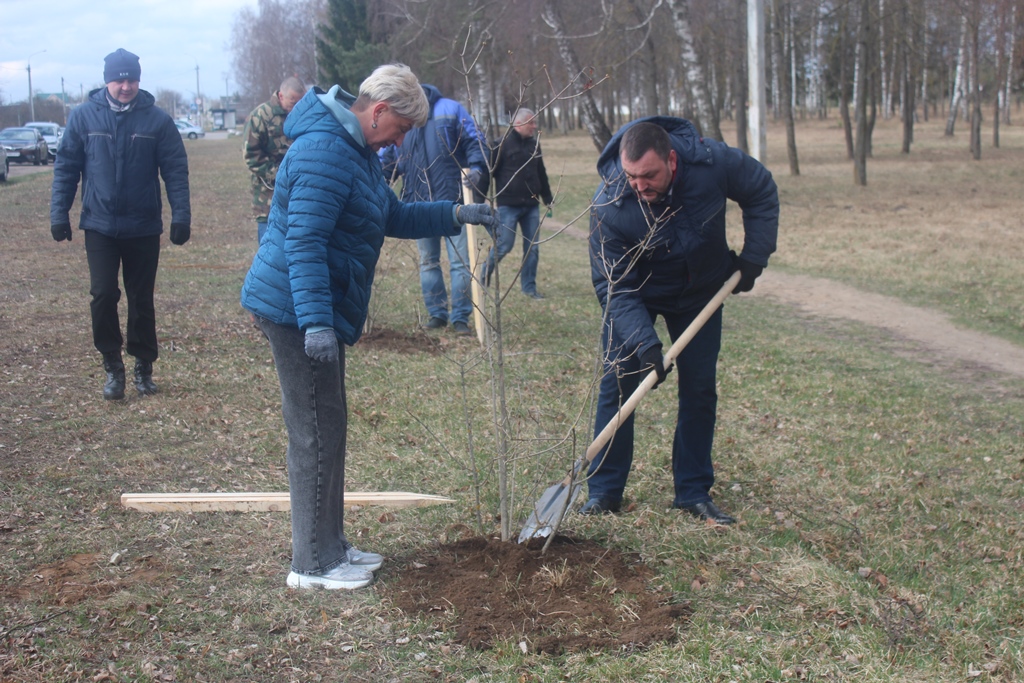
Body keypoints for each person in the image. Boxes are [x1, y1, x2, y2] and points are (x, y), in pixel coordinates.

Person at [240, 64, 497, 590]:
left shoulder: (356, 152)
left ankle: (329, 546)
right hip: (295, 310)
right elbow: (303, 244)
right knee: (313, 433)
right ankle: (311, 565)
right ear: (377, 111)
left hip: (314, 309)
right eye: (401, 128)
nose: (401, 140)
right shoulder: (323, 152)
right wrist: (315, 324)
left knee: (328, 426)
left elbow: (392, 215)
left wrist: (455, 215)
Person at [584, 117, 778, 524]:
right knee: (618, 382)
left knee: (699, 389)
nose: (640, 185)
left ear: (672, 159)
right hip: (638, 293)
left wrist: (754, 258)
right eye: (632, 175)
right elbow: (614, 287)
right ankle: (603, 492)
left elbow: (760, 190)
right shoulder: (610, 203)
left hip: (700, 292)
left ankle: (692, 491)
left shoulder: (713, 164)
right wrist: (645, 344)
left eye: (649, 175)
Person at [50, 48, 191, 401]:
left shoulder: (157, 121)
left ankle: (144, 364)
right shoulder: (83, 118)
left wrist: (181, 215)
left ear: (139, 80)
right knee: (102, 295)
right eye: (119, 79)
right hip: (99, 225)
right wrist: (59, 213)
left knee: (141, 299)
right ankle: (113, 366)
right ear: (107, 81)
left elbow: (175, 171)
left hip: (143, 226)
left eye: (131, 79)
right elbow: (66, 168)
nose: (126, 86)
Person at [380, 84, 487, 335]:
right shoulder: (403, 119)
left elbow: (474, 139)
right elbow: (387, 158)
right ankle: (437, 313)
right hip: (418, 205)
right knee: (428, 262)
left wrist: (476, 167)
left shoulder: (450, 109)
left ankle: (460, 316)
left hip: (455, 202)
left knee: (460, 263)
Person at [482, 108, 553, 300]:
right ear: (519, 124)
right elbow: (488, 174)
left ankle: (529, 288)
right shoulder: (500, 145)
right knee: (504, 245)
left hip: (531, 205)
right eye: (531, 123)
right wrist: (479, 199)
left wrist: (547, 197)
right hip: (508, 205)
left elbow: (541, 171)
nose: (534, 126)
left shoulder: (534, 145)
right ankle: (483, 275)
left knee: (533, 247)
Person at [243, 76, 305, 242]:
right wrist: (280, 174)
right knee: (270, 249)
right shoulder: (260, 116)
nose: (296, 108)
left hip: (298, 198)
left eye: (300, 102)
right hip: (268, 200)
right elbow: (251, 156)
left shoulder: (303, 116)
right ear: (281, 96)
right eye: (293, 102)